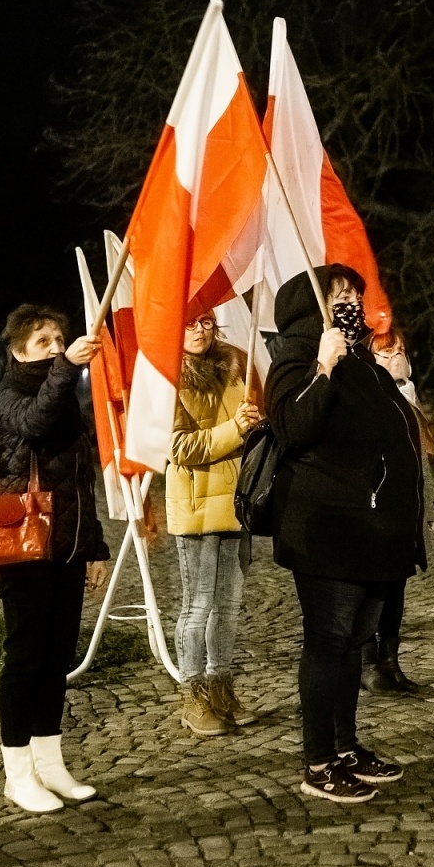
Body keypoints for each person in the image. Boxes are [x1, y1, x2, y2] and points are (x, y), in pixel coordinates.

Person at [267, 265, 425, 804]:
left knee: (355, 645)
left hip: (375, 531)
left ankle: (345, 746)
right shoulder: (296, 356)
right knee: (328, 643)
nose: (352, 302)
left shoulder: (363, 361)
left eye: (355, 294)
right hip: (328, 530)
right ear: (310, 306)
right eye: (339, 295)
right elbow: (293, 426)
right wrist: (322, 367)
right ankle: (317, 761)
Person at [0, 304, 112, 812]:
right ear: (17, 350)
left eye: (60, 339)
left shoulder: (67, 404)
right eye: (44, 341)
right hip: (23, 548)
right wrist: (68, 368)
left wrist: (95, 548)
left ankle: (51, 764)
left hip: (66, 547)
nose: (57, 348)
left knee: (57, 657)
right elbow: (34, 424)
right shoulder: (8, 395)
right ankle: (18, 772)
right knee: (26, 658)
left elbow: (81, 484)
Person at [166, 309, 262, 735]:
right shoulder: (168, 377)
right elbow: (177, 448)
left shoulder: (234, 365)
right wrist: (235, 430)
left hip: (236, 503)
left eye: (205, 321)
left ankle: (220, 686)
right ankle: (192, 696)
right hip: (198, 507)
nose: (199, 330)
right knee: (197, 606)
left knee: (228, 607)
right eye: (189, 322)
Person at [360, 327, 426, 695]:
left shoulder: (408, 392)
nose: (396, 357)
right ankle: (368, 663)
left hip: (406, 501)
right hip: (379, 502)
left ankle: (391, 661)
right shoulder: (369, 394)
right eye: (387, 353)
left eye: (400, 350)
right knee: (375, 587)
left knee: (397, 586)